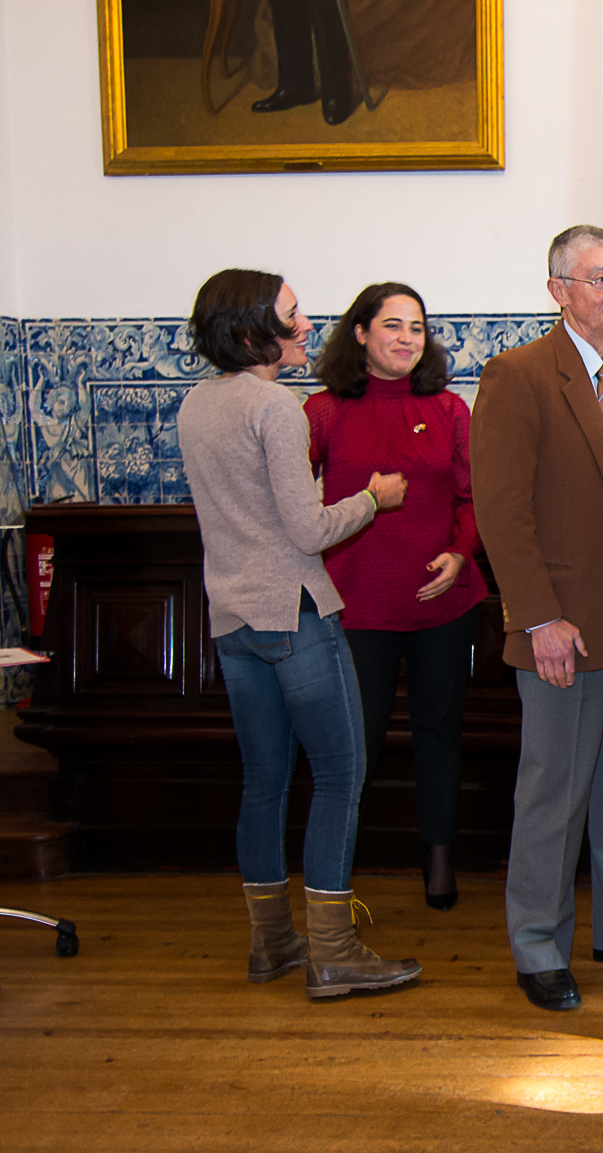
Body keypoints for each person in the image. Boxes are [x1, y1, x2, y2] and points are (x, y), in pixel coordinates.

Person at [176, 268, 420, 999]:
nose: (307, 323)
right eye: (292, 313)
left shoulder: (196, 404)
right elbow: (308, 529)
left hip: (233, 622)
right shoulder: (275, 408)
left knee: (265, 782)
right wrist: (372, 498)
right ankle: (333, 953)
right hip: (295, 615)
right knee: (341, 776)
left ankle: (272, 942)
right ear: (253, 329)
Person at [471, 226, 603, 1012]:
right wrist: (537, 617)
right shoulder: (517, 377)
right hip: (562, 625)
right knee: (554, 790)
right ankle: (538, 945)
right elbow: (502, 511)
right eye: (598, 278)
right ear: (558, 290)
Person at [306, 282, 487, 912]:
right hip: (358, 603)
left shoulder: (449, 410)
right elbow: (293, 500)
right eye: (393, 325)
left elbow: (473, 496)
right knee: (355, 740)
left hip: (442, 601)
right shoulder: (323, 411)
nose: (408, 338)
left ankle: (439, 860)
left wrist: (461, 552)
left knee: (439, 731)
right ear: (360, 333)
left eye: (416, 327)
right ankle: (334, 873)